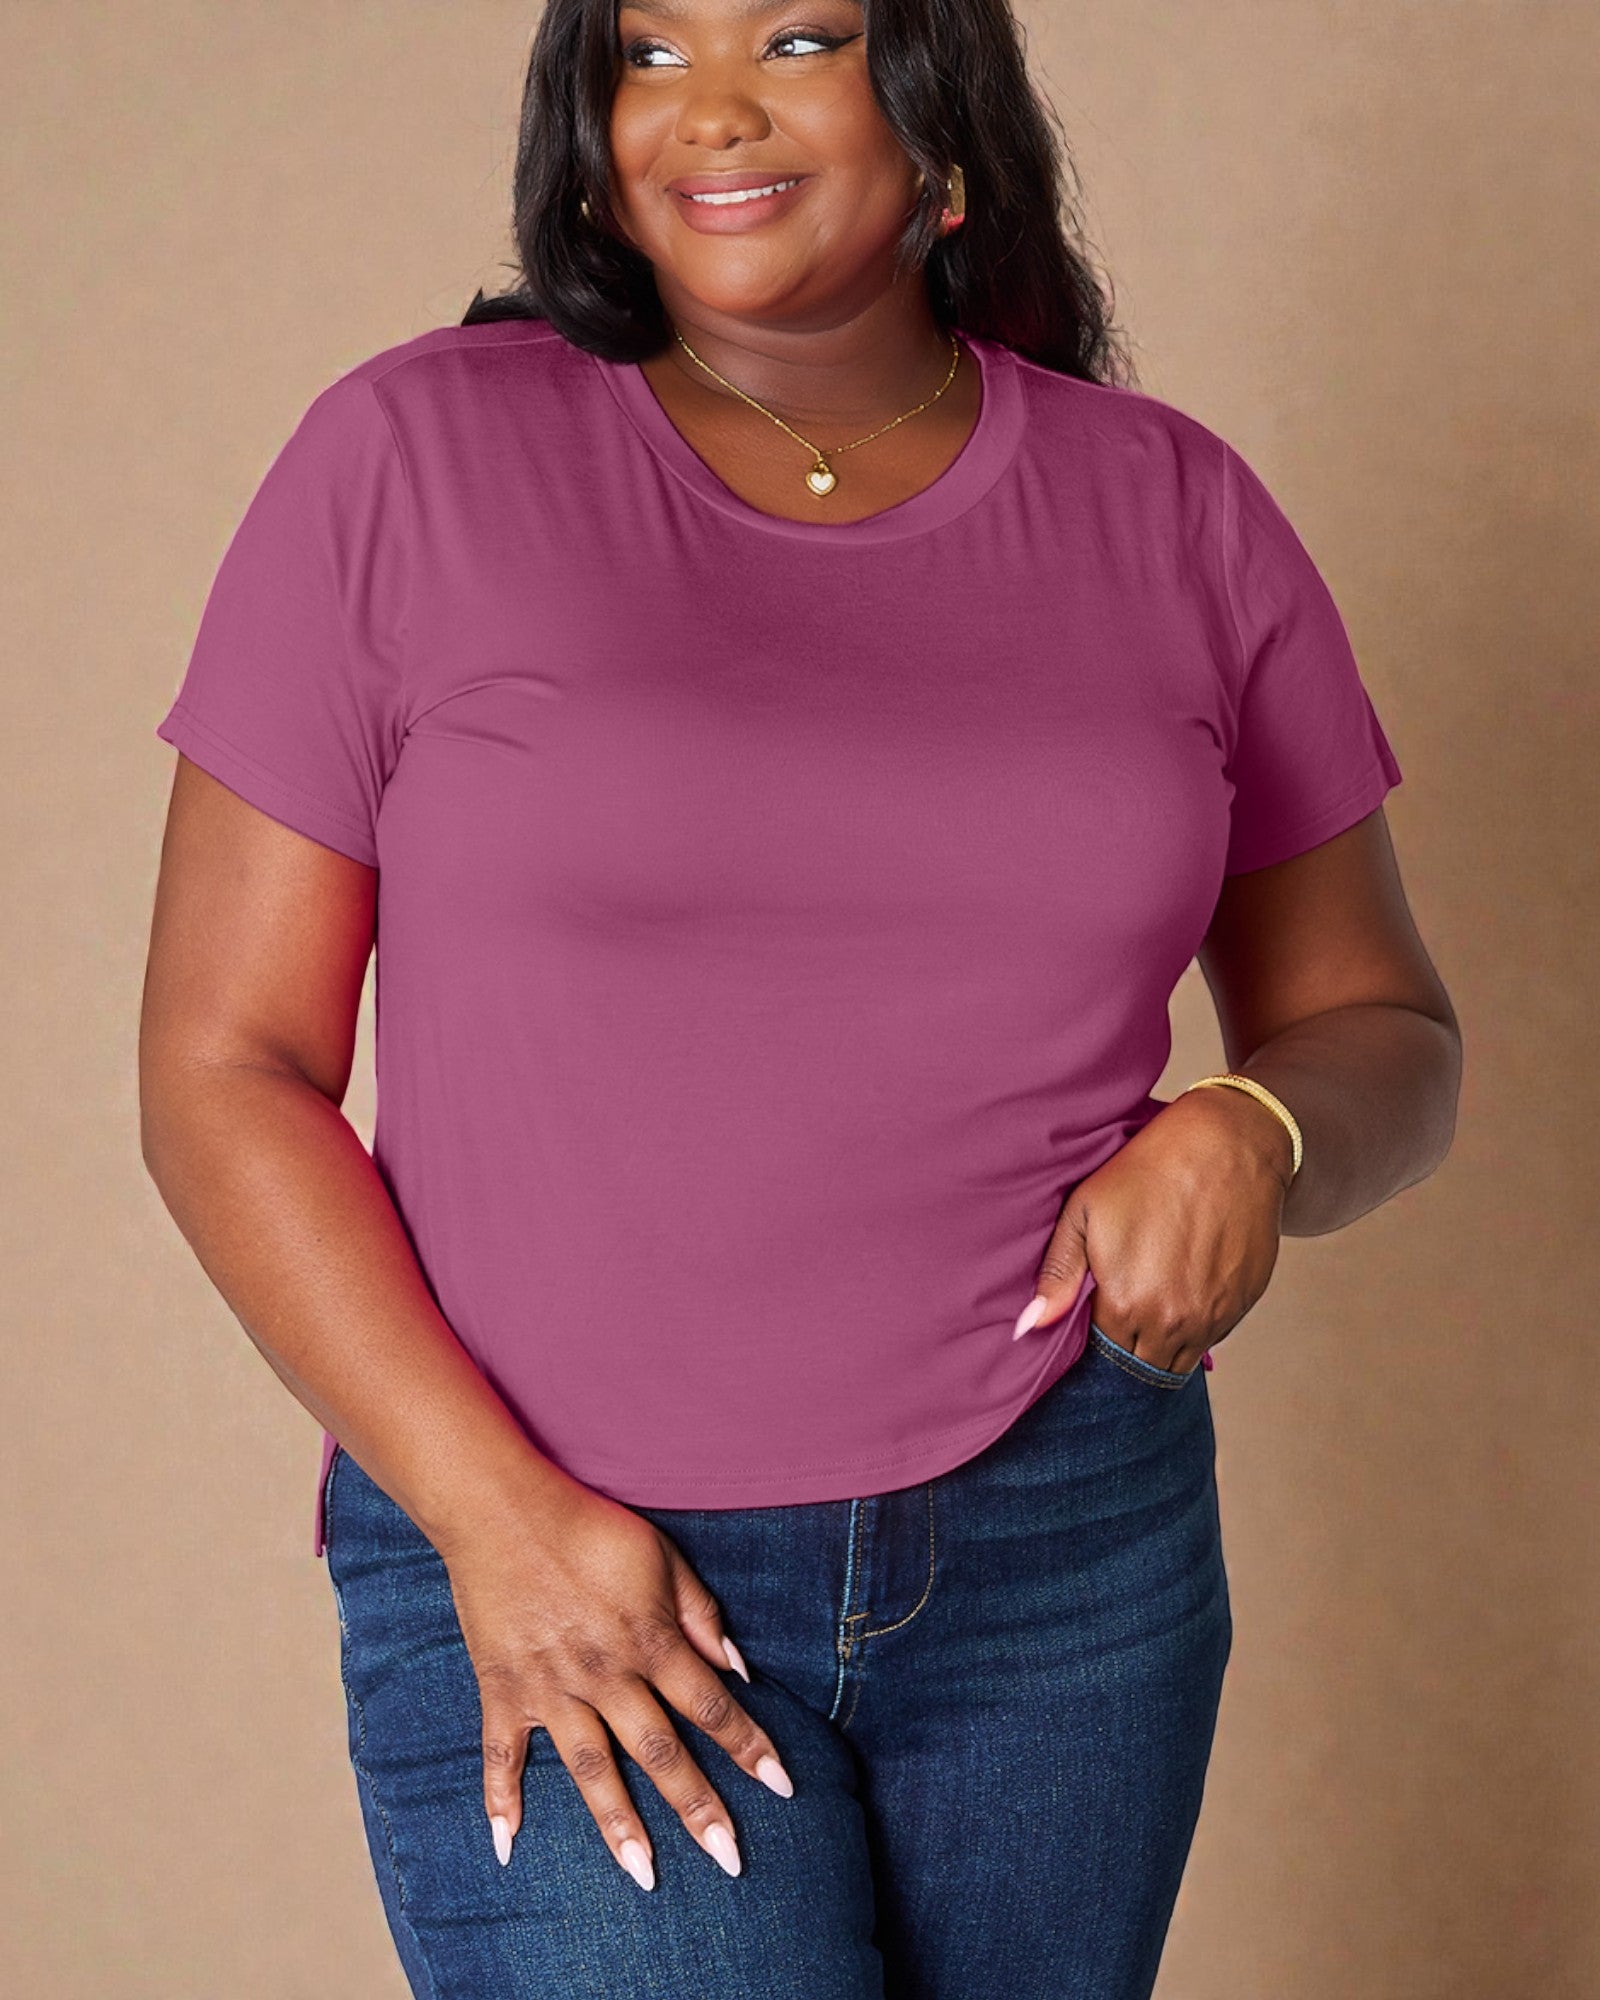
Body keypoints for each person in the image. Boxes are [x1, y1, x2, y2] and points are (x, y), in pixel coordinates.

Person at [139, 0, 1462, 1992]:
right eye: (649, 52)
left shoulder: (1172, 509)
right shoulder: (413, 458)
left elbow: (1385, 1033)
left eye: (798, 35)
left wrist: (1252, 1134)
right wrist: (491, 1521)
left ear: (939, 110)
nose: (714, 108)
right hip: (562, 1537)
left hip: (1065, 1546)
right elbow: (222, 1064)